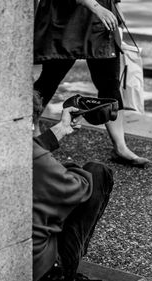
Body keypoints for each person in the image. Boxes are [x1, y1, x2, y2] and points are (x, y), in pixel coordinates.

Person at [33, 0, 150, 168]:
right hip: (69, 18)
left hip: (100, 20)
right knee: (51, 77)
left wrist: (114, 9)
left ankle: (120, 147)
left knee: (109, 82)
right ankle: (32, 129)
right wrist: (96, 7)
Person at [32, 91, 114, 281]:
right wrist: (66, 168)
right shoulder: (38, 160)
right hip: (41, 269)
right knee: (97, 172)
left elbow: (35, 148)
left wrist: (61, 128)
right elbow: (80, 188)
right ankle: (66, 270)